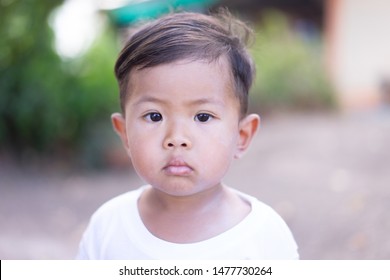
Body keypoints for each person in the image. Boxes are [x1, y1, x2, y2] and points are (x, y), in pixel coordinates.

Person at [76, 10, 298, 260]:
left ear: (242, 135)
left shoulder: (264, 238)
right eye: (154, 116)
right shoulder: (107, 228)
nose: (177, 137)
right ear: (125, 133)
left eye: (203, 117)